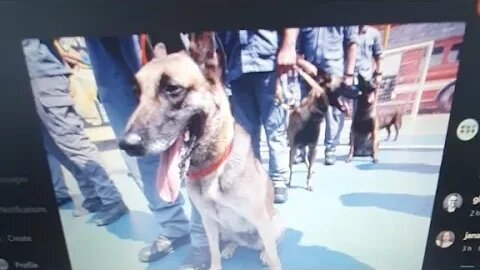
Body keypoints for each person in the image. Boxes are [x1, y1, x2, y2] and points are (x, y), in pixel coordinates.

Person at [85, 35, 210, 270]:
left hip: (147, 30)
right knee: (134, 145)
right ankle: (175, 228)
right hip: (100, 43)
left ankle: (203, 237)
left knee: (195, 143)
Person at [22, 39, 128, 226]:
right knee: (53, 146)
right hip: (30, 76)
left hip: (41, 75)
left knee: (72, 141)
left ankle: (112, 199)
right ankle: (93, 195)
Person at [217, 30, 291, 204]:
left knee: (275, 129)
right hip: (236, 68)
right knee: (246, 133)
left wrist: (288, 47)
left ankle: (278, 181)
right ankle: (255, 179)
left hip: (269, 64)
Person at [277, 27, 359, 166]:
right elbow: (296, 45)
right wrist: (302, 63)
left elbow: (351, 42)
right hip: (309, 67)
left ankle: (330, 148)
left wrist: (349, 74)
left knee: (333, 111)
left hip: (332, 68)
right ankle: (301, 150)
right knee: (304, 109)